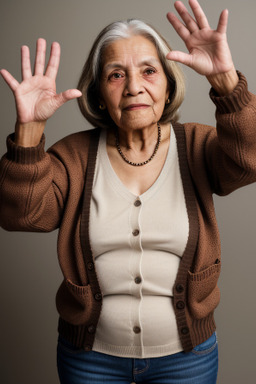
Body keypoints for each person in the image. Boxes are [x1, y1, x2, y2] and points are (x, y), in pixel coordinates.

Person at [0, 0, 256, 383]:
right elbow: (21, 214)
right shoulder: (73, 155)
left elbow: (249, 159)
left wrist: (226, 85)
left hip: (186, 359)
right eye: (116, 75)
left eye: (149, 71)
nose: (134, 86)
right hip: (90, 360)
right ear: (100, 94)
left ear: (168, 84)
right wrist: (30, 132)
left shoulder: (199, 146)